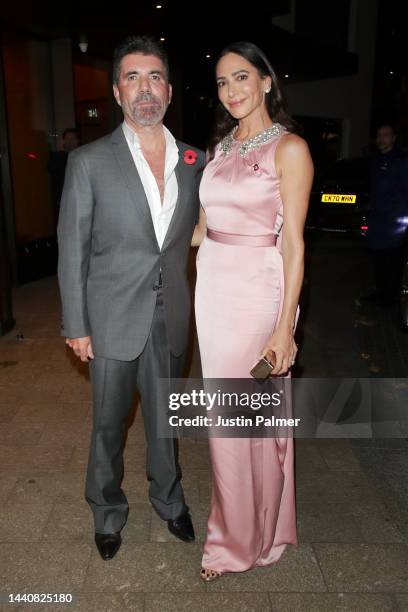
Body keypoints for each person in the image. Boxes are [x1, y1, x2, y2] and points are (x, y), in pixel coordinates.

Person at [57, 35, 205, 561]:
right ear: (117, 91)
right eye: (133, 78)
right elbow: (71, 247)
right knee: (107, 424)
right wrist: (76, 323)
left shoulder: (195, 159)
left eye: (156, 77)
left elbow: (203, 233)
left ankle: (170, 502)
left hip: (172, 318)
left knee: (166, 420)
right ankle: (107, 510)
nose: (146, 89)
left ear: (168, 88)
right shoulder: (89, 161)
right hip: (112, 317)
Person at [192, 41, 313, 580]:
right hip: (213, 287)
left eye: (241, 77)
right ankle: (255, 527)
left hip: (255, 290)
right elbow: (199, 227)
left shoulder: (290, 149)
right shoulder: (219, 148)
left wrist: (285, 328)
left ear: (266, 81)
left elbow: (294, 246)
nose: (231, 90)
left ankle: (234, 542)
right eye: (222, 82)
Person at [364, 124, 408, 306]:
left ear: (394, 138)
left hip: (396, 221)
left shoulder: (402, 161)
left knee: (392, 260)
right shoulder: (375, 160)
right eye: (379, 135)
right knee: (378, 258)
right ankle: (380, 293)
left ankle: (392, 297)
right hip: (377, 219)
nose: (381, 139)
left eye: (386, 135)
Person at [48, 128, 80, 222]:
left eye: (73, 138)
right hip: (63, 200)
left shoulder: (84, 157)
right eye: (68, 139)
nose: (70, 142)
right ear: (64, 141)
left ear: (77, 140)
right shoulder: (57, 158)